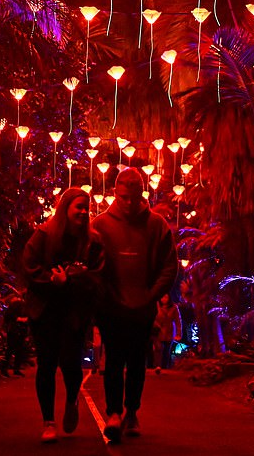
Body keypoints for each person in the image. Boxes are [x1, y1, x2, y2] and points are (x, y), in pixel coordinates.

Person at [92, 167, 178, 442]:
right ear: (116, 193)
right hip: (112, 307)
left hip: (143, 307)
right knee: (114, 359)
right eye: (124, 197)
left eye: (135, 197)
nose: (129, 203)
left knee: (137, 362)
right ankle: (114, 412)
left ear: (143, 194)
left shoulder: (156, 225)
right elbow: (91, 266)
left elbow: (169, 266)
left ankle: (132, 411)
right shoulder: (101, 225)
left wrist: (151, 295)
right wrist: (105, 295)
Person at [22, 188, 104, 443]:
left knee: (70, 363)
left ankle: (71, 399)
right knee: (46, 364)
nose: (82, 212)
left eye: (86, 208)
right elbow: (29, 266)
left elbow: (96, 275)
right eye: (78, 206)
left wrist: (69, 279)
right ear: (65, 208)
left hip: (74, 312)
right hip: (45, 311)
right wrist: (51, 281)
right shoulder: (44, 235)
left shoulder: (93, 241)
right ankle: (48, 421)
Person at [1, 295, 29, 377]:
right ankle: (7, 369)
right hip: (15, 330)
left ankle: (14, 369)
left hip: (18, 330)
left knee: (17, 350)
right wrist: (19, 319)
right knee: (12, 350)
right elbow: (8, 317)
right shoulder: (15, 306)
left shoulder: (20, 305)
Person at [153, 294, 182, 372]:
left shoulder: (174, 307)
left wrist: (179, 333)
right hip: (158, 330)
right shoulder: (156, 305)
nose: (164, 299)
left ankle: (165, 367)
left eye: (166, 297)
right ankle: (157, 366)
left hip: (169, 331)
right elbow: (152, 317)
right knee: (158, 348)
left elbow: (178, 321)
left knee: (167, 350)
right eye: (162, 297)